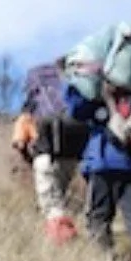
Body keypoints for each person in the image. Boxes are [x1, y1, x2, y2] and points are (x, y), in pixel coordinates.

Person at [64, 80, 131, 261]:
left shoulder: (97, 97)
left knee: (98, 218)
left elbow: (74, 110)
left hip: (104, 164)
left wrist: (71, 80)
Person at [11, 59, 89, 245]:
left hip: (45, 156)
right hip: (70, 158)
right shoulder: (67, 102)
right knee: (59, 198)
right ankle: (64, 236)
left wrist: (30, 160)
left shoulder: (29, 113)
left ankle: (62, 241)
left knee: (51, 204)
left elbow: (20, 143)